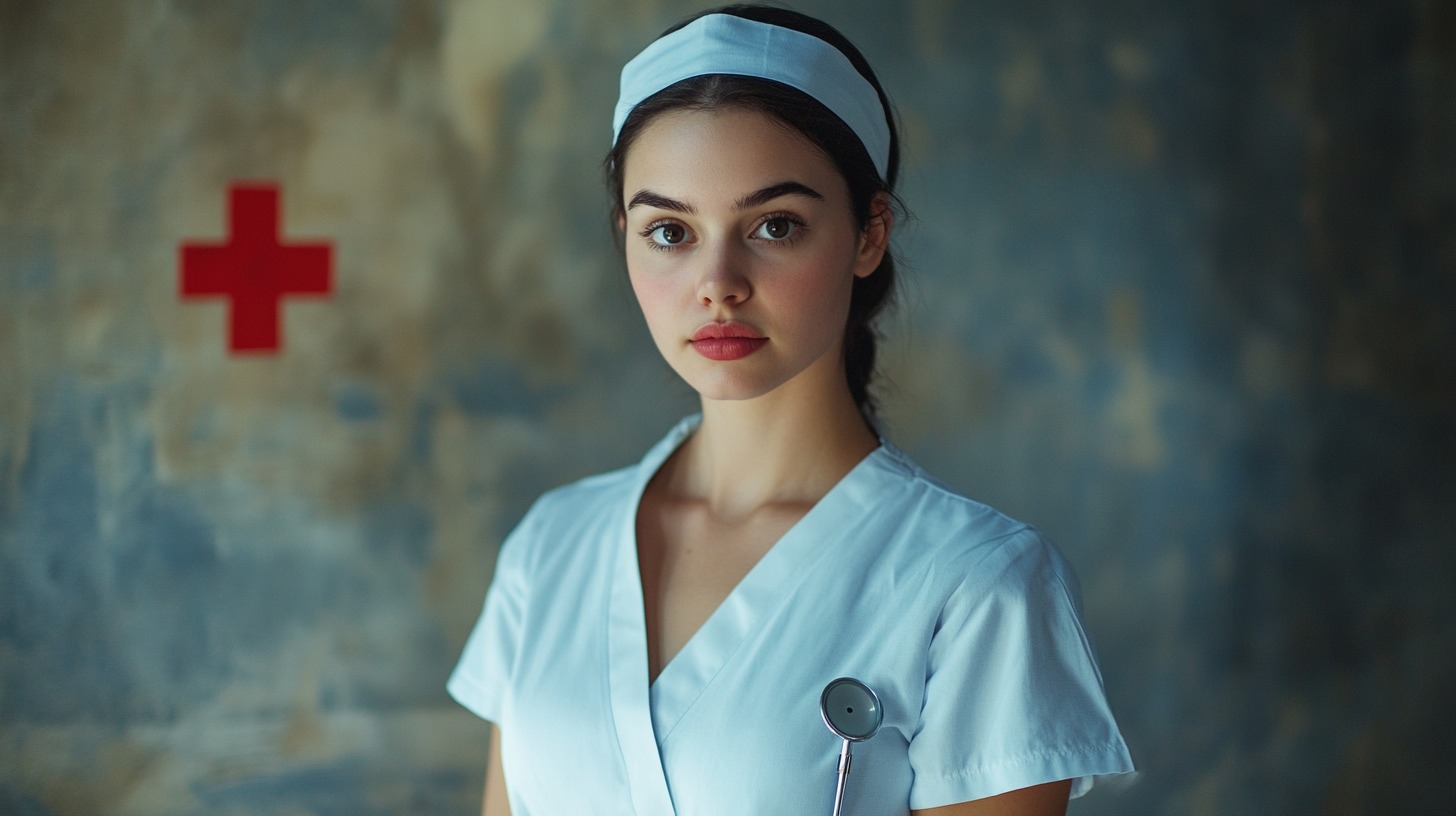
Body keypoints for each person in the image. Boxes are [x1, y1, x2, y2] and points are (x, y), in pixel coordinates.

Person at [448, 6, 1135, 814]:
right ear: (623, 237)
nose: (718, 282)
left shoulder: (977, 585)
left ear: (869, 233)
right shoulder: (551, 549)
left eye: (775, 225)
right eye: (670, 231)